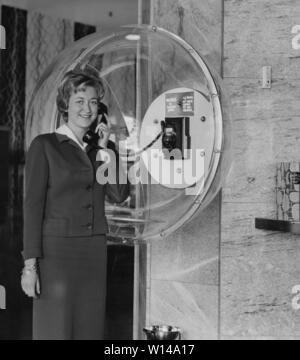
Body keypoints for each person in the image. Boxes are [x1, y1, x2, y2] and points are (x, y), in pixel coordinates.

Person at [21, 70, 129, 340]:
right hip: (56, 254)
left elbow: (119, 194)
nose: (87, 108)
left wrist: (106, 149)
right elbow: (33, 208)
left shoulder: (102, 149)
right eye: (79, 101)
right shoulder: (44, 145)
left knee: (89, 329)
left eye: (93, 102)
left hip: (92, 251)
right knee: (54, 329)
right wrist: (30, 267)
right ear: (65, 105)